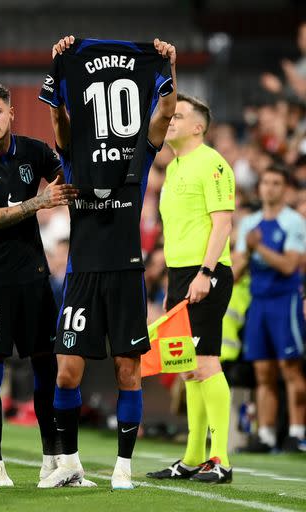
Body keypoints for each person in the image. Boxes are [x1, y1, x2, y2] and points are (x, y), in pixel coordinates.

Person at [39, 36, 177, 490]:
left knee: (127, 370)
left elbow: (164, 112)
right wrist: (58, 71)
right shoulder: (72, 154)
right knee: (66, 370)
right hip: (81, 273)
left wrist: (169, 68)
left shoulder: (140, 150)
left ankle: (123, 468)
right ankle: (70, 464)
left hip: (126, 271)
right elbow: (59, 117)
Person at [0, 83, 78, 487]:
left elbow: (68, 175)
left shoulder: (34, 151)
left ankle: (50, 459)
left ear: (12, 114)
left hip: (34, 278)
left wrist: (72, 184)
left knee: (45, 364)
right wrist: (40, 202)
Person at [147, 93, 235, 483]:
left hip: (206, 275)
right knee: (186, 368)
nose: (171, 121)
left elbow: (223, 224)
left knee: (205, 362)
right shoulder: (174, 168)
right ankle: (192, 457)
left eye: (179, 116)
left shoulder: (212, 163)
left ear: (199, 126)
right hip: (180, 275)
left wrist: (205, 272)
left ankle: (222, 459)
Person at [233, 165, 306, 453]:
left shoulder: (293, 222)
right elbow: (237, 271)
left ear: (285, 188)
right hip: (258, 302)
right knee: (262, 371)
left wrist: (257, 250)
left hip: (284, 301)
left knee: (290, 369)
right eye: (265, 182)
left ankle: (297, 434)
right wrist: (247, 252)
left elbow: (290, 265)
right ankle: (265, 435)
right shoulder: (249, 224)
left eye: (276, 183)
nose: (270, 188)